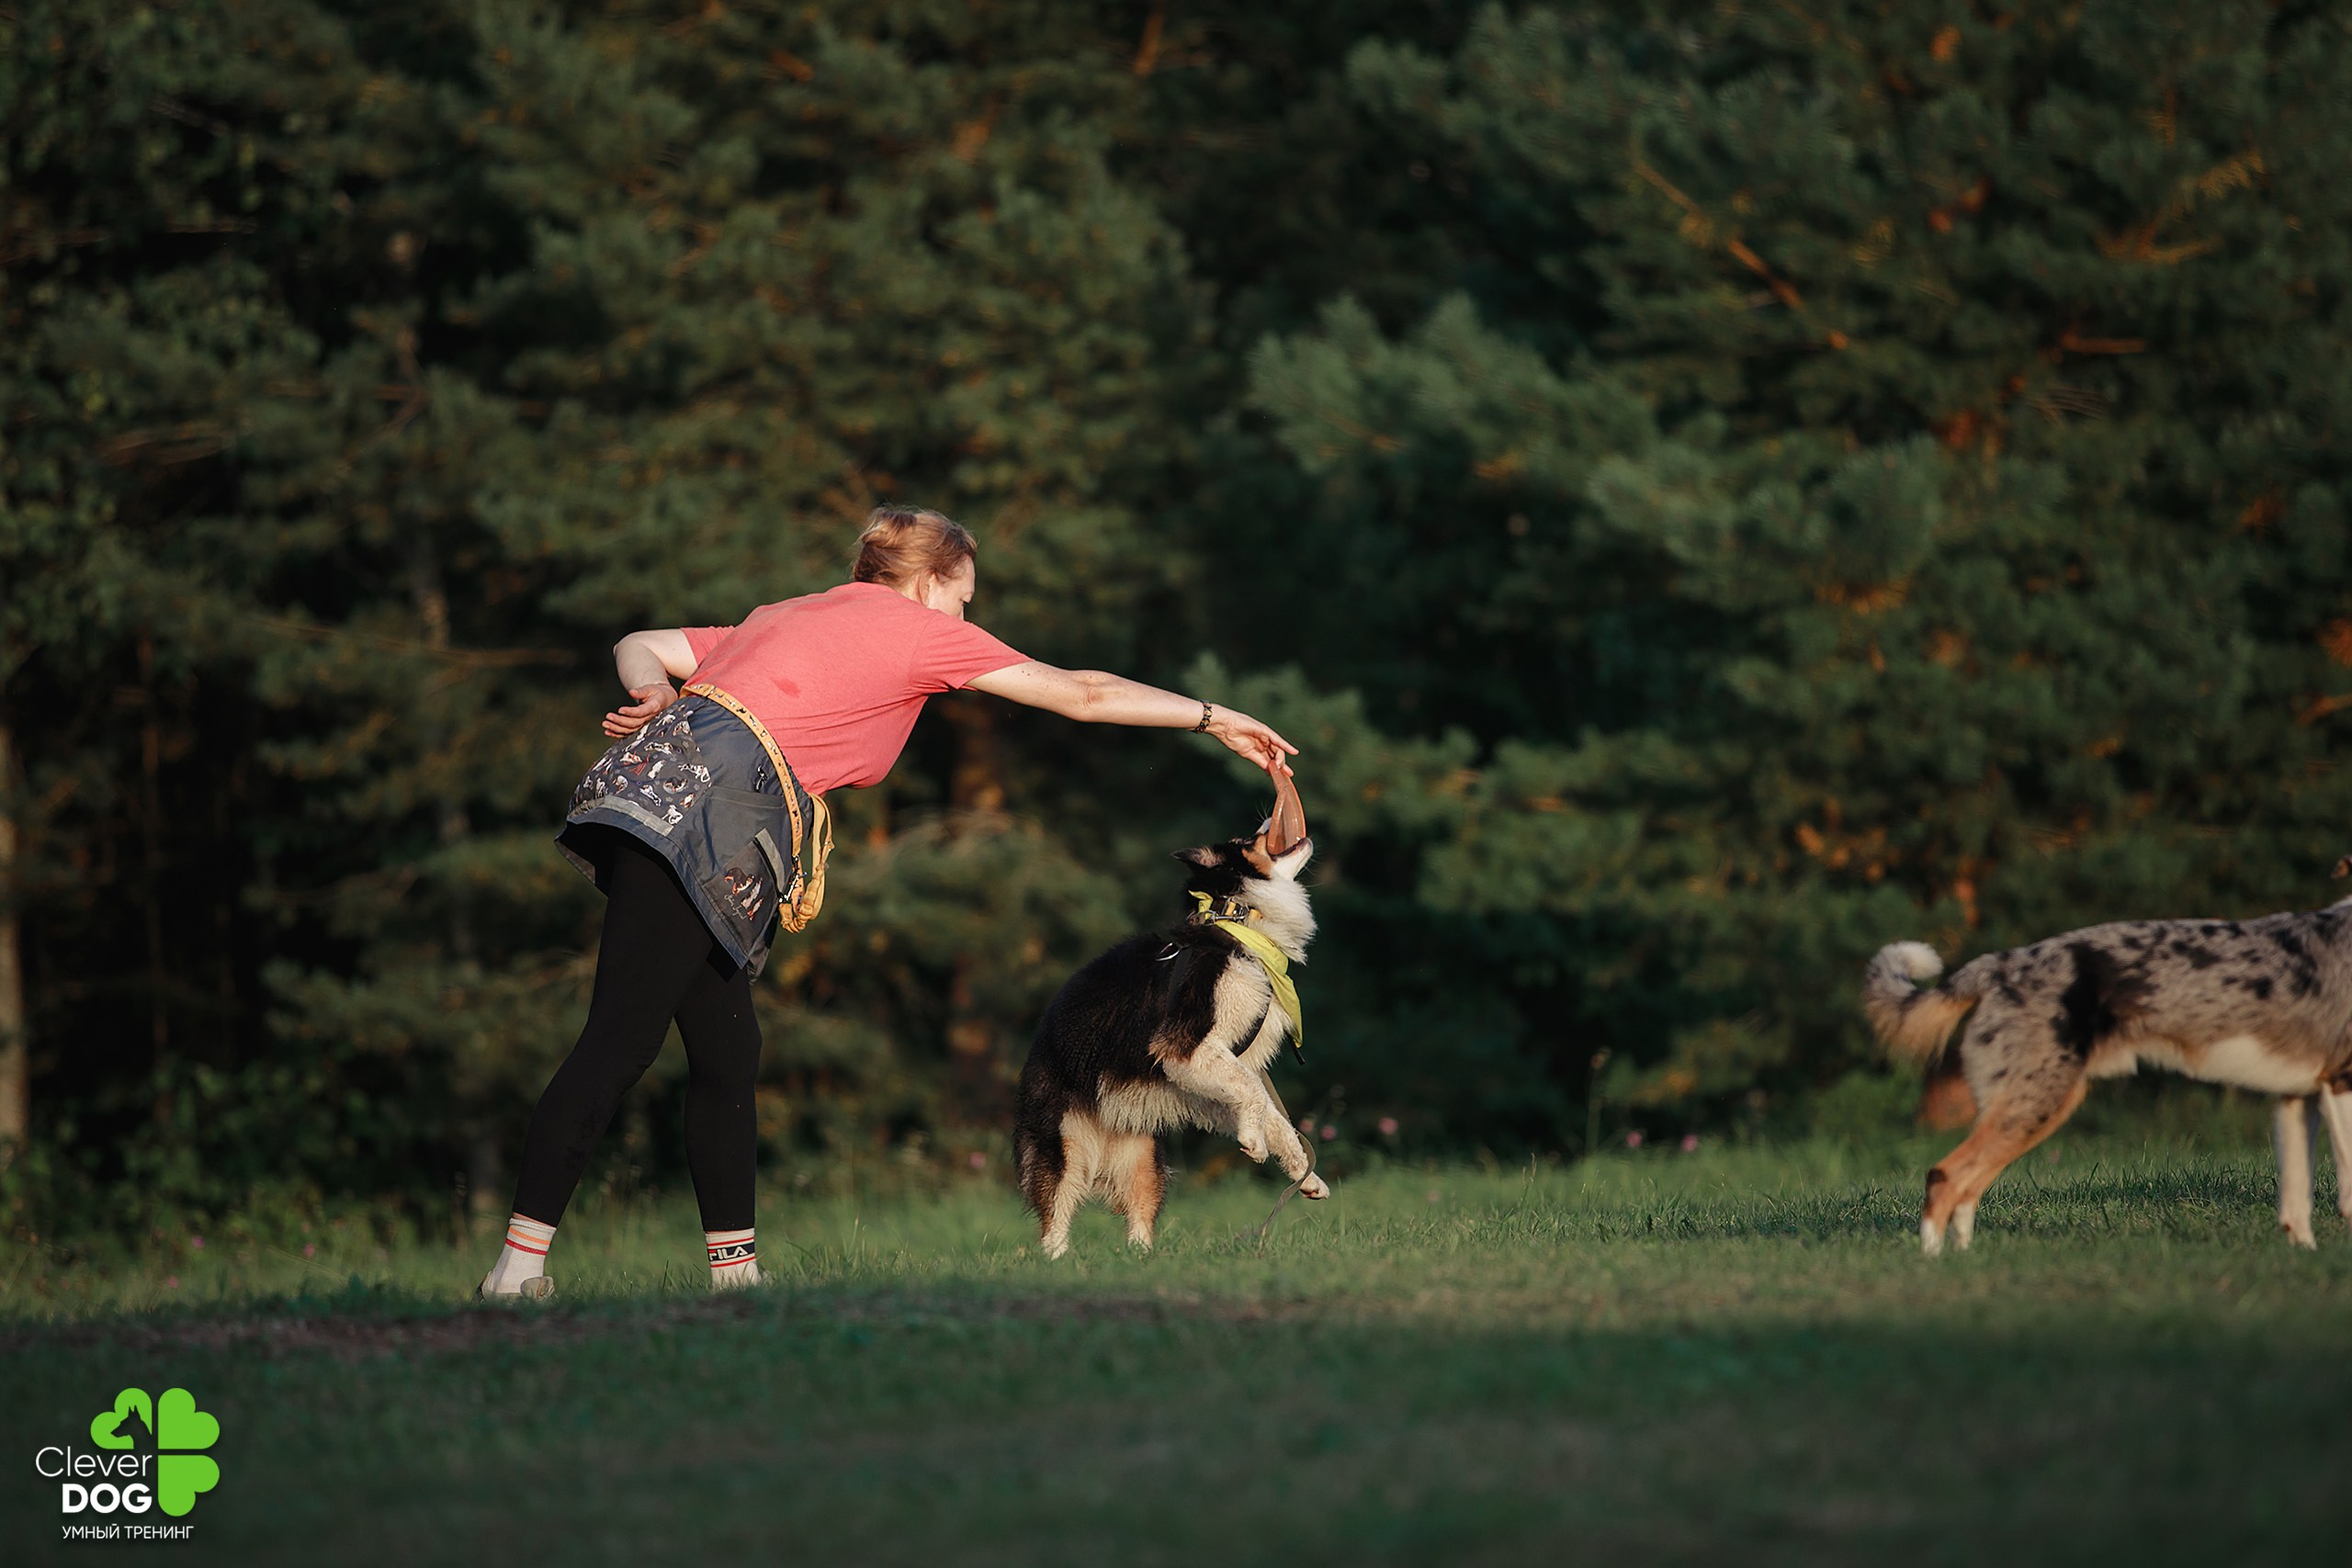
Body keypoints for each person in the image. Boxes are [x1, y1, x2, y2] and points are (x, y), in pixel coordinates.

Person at [478, 506, 1298, 1298]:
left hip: (656, 801)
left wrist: (654, 688)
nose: (966, 614)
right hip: (714, 817)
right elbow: (1080, 691)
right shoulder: (919, 629)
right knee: (618, 1042)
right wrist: (1212, 715)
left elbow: (639, 642)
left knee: (728, 1054)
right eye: (965, 596)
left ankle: (738, 1279)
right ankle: (516, 1273)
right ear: (929, 581)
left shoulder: (786, 614)